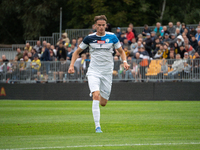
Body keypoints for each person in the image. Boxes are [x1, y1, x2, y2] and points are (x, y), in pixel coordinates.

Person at [68, 15, 129, 133]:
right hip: (93, 71)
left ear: (106, 25)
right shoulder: (89, 38)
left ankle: (97, 93)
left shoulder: (112, 37)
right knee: (96, 95)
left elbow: (121, 52)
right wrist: (71, 66)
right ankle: (97, 127)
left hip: (107, 73)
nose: (101, 27)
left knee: (103, 103)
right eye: (99, 25)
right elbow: (76, 52)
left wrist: (125, 62)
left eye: (103, 25)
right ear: (95, 26)